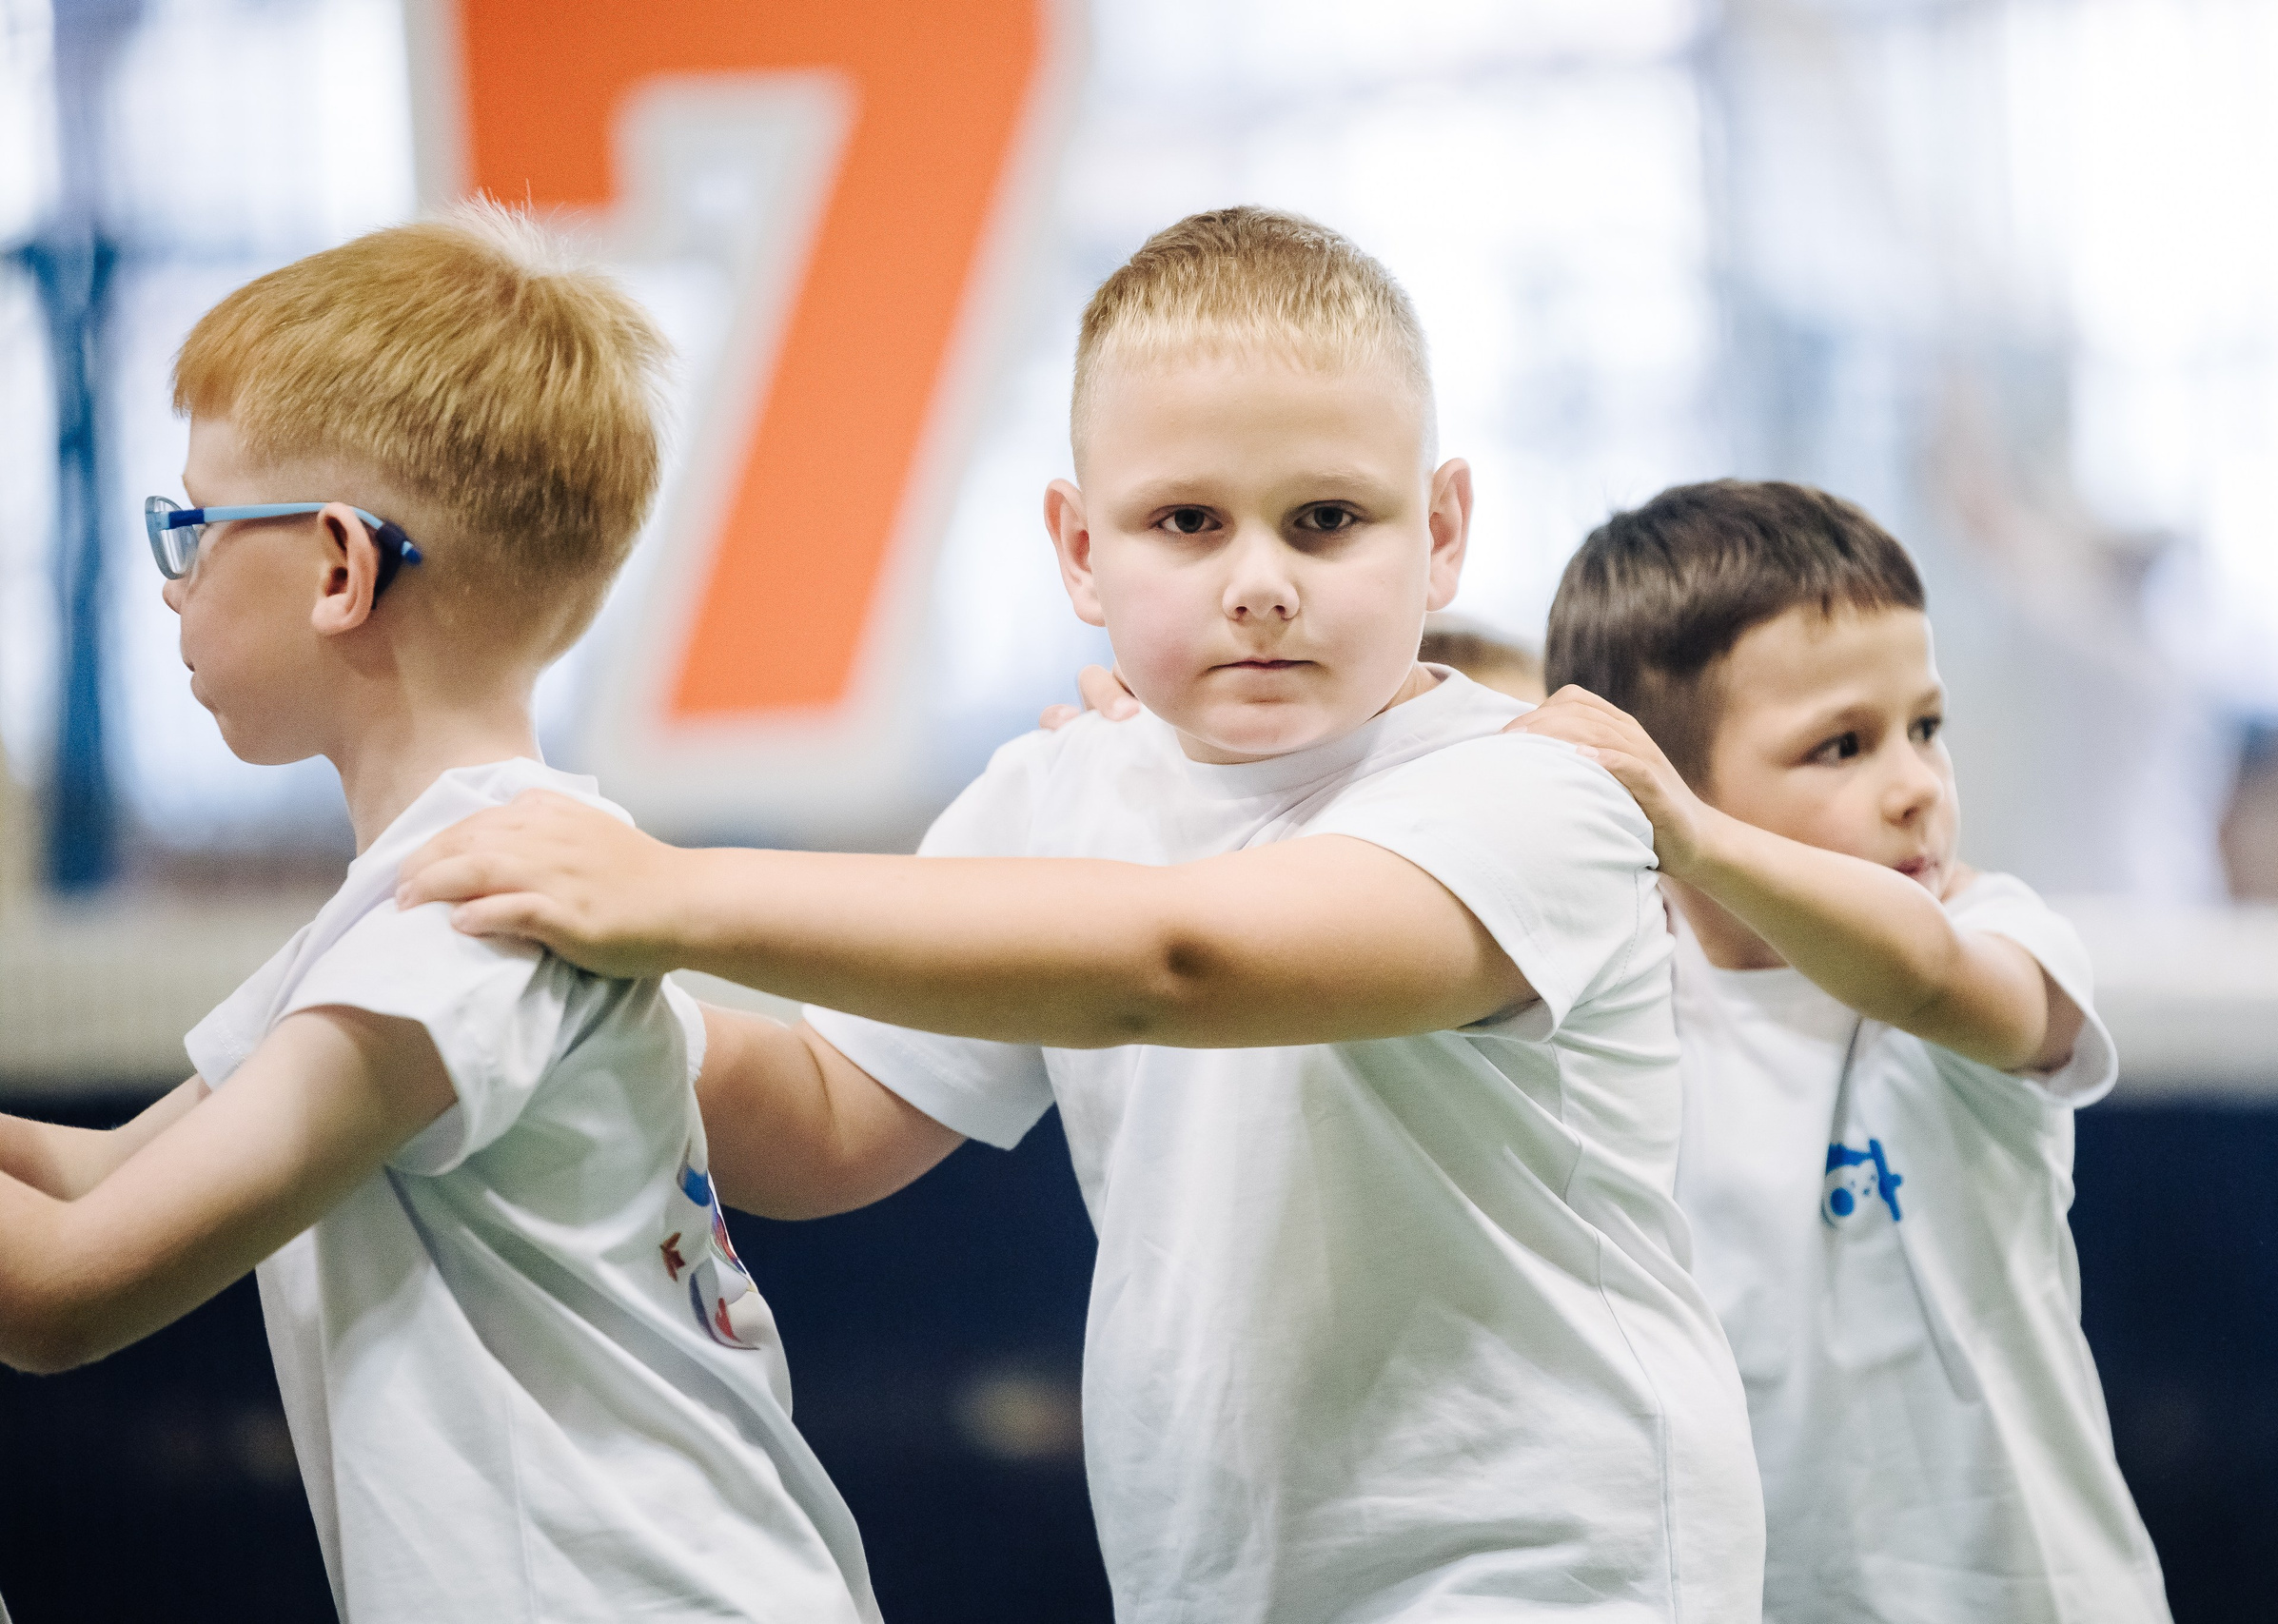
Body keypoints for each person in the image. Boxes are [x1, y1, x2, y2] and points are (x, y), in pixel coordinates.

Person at [397, 206, 1765, 1621]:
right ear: (1077, 548)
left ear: (1443, 531)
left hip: (1560, 1575)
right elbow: (822, 1120)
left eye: (1326, 519)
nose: (1260, 583)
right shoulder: (1056, 791)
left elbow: (1179, 960)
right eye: (1187, 522)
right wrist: (551, 998)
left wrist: (668, 890)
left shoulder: (1533, 791)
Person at [0, 205, 878, 1624]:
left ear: (340, 567)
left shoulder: (462, 933)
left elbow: (59, 1290)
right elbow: (91, 1178)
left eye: (194, 529)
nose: (171, 585)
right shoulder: (436, 897)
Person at [1516, 481, 2172, 1621]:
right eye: (1842, 746)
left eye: (1926, 727)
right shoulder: (1619, 1007)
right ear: (1658, 787)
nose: (1916, 785)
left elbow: (1920, 972)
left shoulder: (1990, 932)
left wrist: (1695, 835)